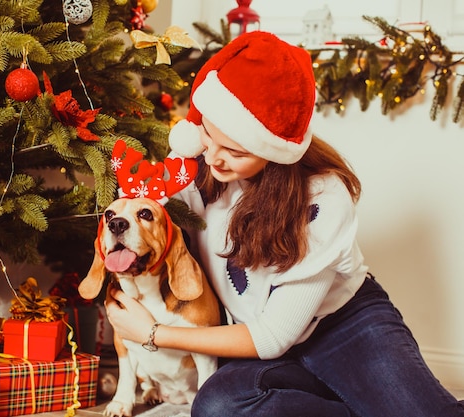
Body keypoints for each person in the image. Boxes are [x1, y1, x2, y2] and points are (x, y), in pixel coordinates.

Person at [103, 30, 464, 417]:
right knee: (216, 407)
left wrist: (153, 335)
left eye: (236, 151)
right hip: (252, 341)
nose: (215, 158)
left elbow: (273, 336)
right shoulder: (196, 160)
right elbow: (146, 224)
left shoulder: (323, 197)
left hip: (344, 327)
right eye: (208, 136)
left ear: (272, 152)